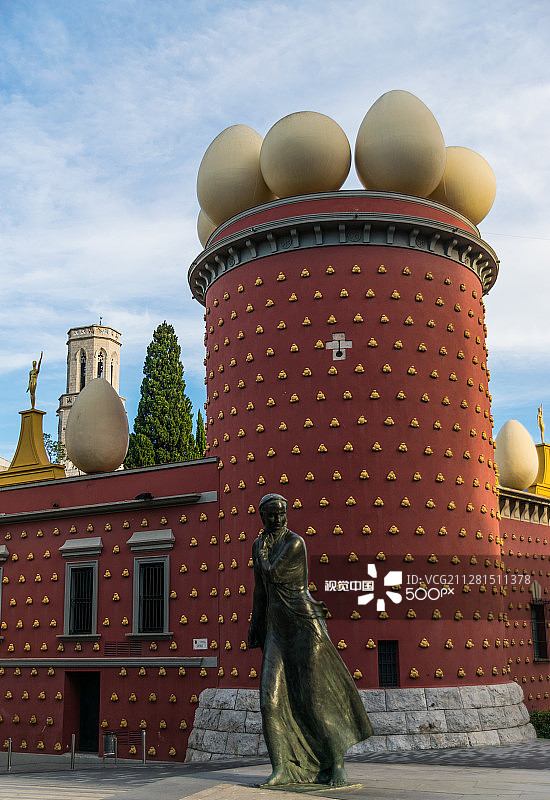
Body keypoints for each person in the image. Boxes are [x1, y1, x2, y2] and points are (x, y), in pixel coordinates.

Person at [248, 493, 372, 787]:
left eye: (282, 513)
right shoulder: (258, 545)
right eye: (272, 514)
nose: (278, 519)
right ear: (262, 516)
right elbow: (260, 589)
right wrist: (255, 624)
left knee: (315, 699)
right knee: (269, 699)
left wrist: (262, 553)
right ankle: (281, 769)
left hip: (304, 625)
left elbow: (272, 573)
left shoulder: (295, 543)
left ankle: (336, 764)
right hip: (277, 628)